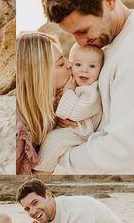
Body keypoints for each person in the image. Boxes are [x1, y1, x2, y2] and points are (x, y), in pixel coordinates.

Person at [42, 0, 134, 174]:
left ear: (109, 1)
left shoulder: (131, 50)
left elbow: (124, 152)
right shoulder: (109, 42)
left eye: (83, 31)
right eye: (73, 34)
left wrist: (57, 154)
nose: (81, 42)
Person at [35, 44, 103, 173]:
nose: (85, 70)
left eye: (92, 66)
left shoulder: (91, 90)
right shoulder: (76, 84)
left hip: (82, 131)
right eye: (78, 65)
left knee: (52, 141)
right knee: (48, 138)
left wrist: (68, 92)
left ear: (100, 69)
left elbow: (79, 111)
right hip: (72, 127)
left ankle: (42, 171)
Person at [16, 31, 71, 174]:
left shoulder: (55, 101)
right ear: (40, 75)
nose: (69, 64)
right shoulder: (18, 134)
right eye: (60, 63)